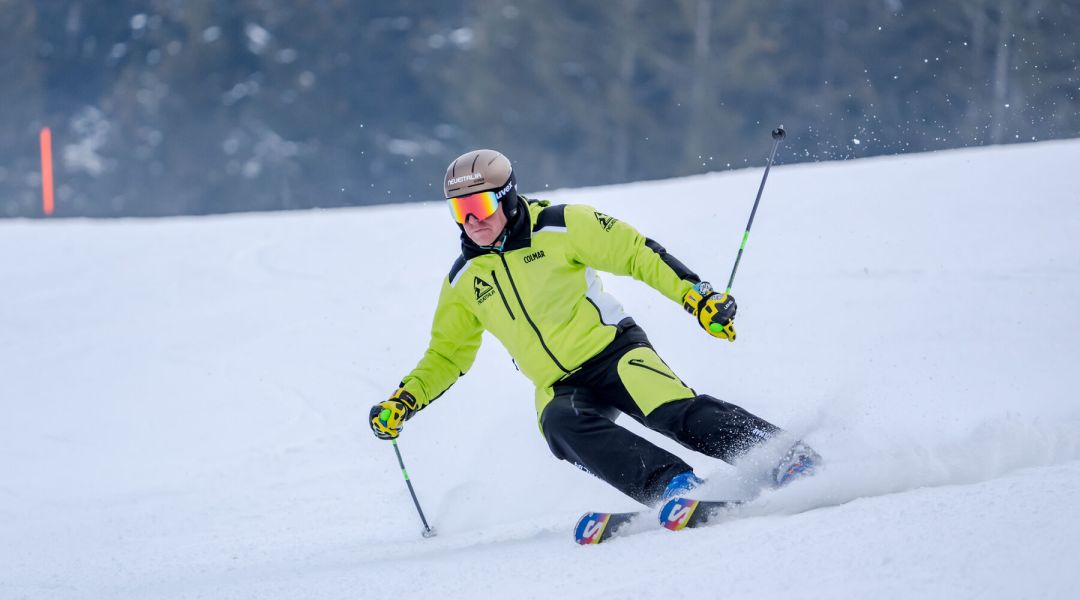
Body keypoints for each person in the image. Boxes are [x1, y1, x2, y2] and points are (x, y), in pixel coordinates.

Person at [369, 149, 819, 506]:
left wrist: (695, 297)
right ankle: (676, 488)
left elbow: (637, 253)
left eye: (481, 204)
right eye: (460, 209)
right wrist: (405, 400)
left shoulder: (562, 226)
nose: (473, 219)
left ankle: (785, 458)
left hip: (614, 354)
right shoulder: (464, 279)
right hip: (558, 384)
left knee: (672, 411)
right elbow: (448, 354)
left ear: (507, 197)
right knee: (560, 428)